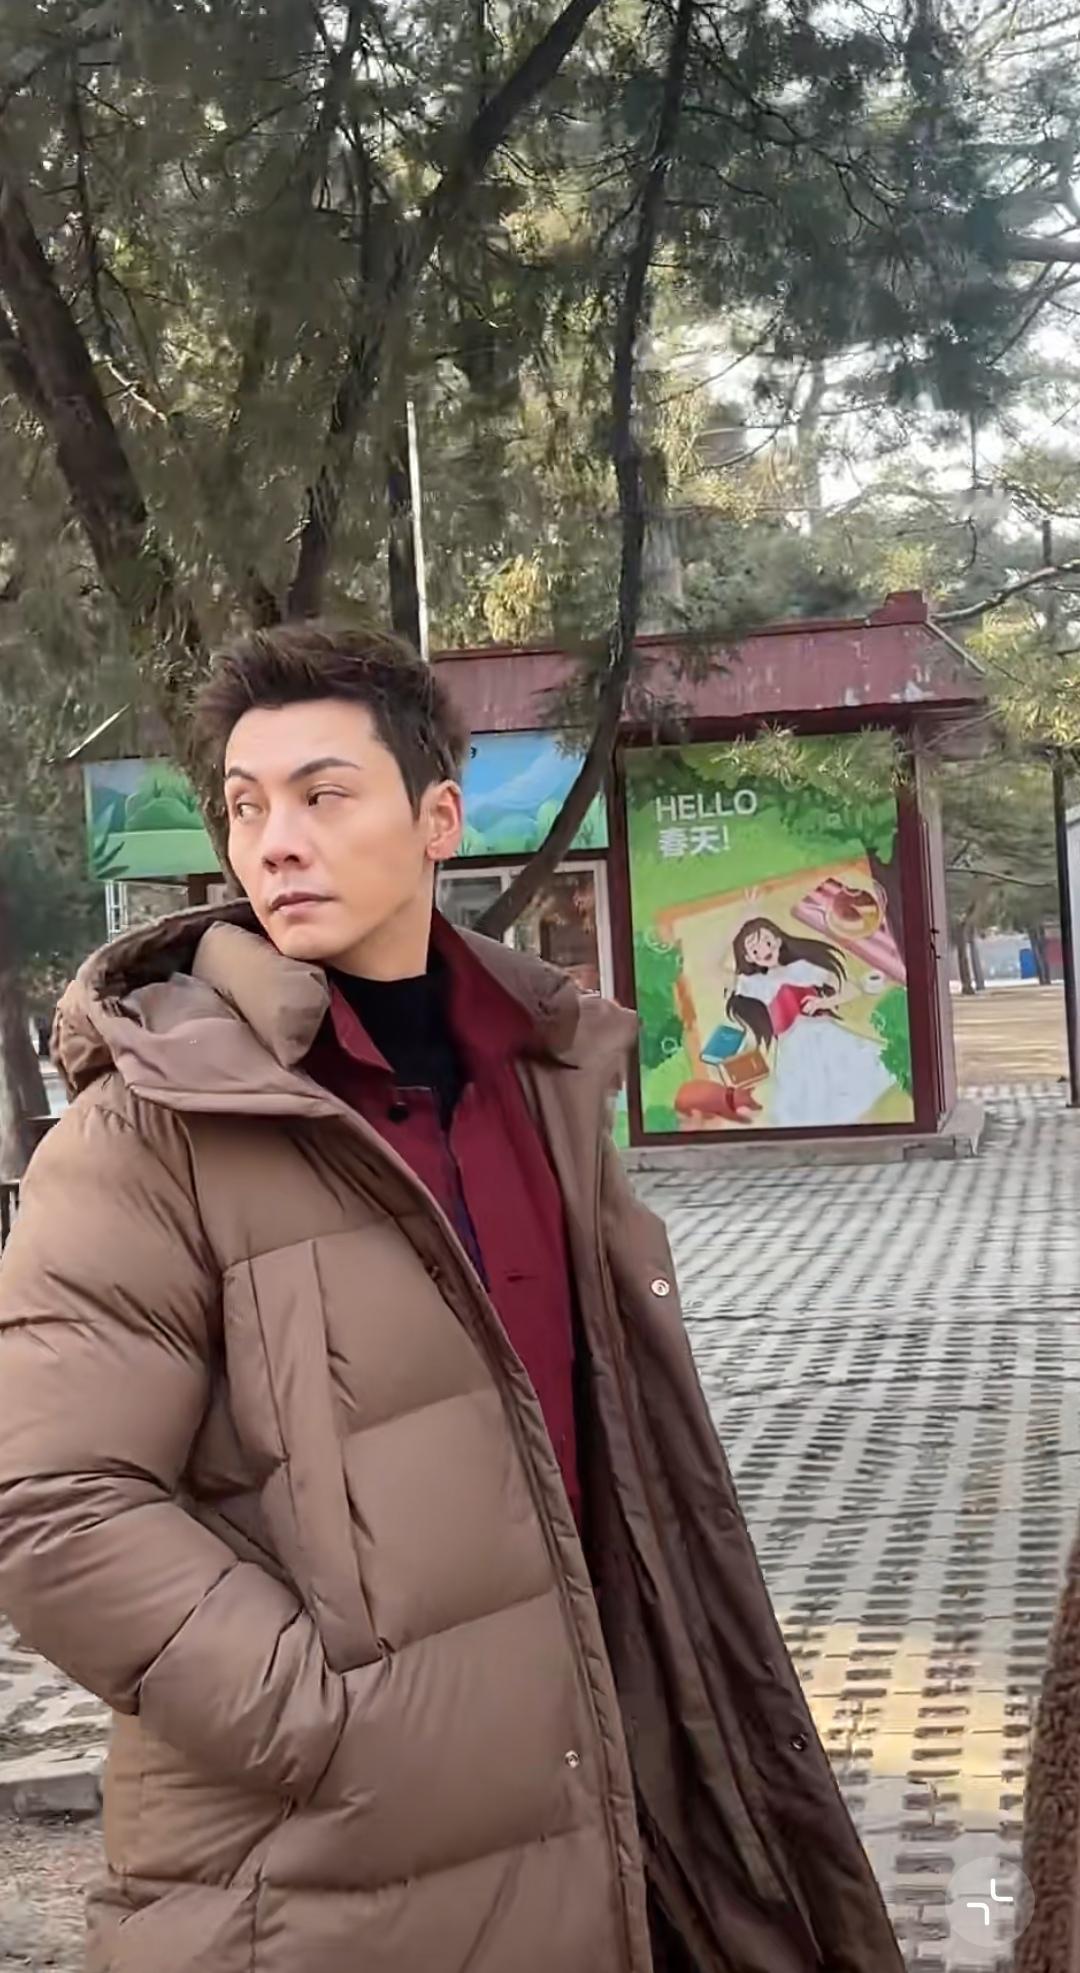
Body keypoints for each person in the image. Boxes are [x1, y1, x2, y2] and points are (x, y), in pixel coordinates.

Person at [0, 624, 903, 1973]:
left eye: (323, 795)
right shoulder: (150, 1130)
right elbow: (55, 1503)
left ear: (437, 820)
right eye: (247, 806)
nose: (276, 842)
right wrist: (332, 1719)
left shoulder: (541, 1078)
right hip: (309, 1882)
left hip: (590, 1802)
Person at [728, 916, 894, 1128]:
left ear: (778, 940)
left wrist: (822, 1002)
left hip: (822, 1032)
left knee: (847, 1079)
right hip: (791, 1047)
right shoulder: (757, 984)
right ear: (748, 957)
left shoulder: (802, 969)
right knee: (807, 1100)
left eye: (767, 942)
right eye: (755, 950)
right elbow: (717, 970)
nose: (764, 951)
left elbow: (852, 989)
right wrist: (740, 921)